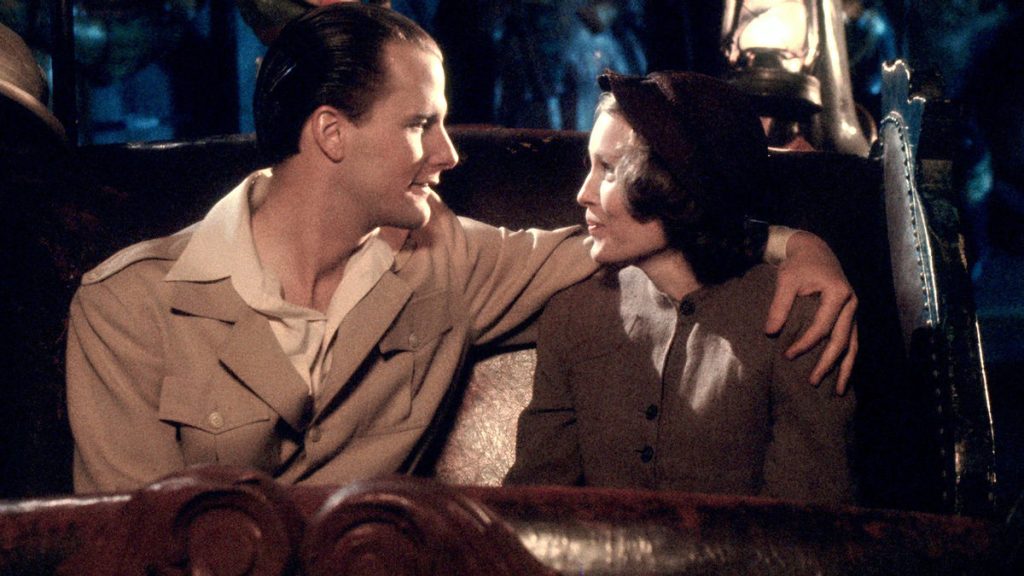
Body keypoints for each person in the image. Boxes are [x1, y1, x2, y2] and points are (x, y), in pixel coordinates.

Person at [66, 3, 855, 494]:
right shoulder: (126, 307)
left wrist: (800, 243)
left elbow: (651, 225)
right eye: (421, 125)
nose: (448, 153)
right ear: (332, 133)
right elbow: (129, 549)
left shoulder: (447, 258)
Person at [505, 71, 855, 505]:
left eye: (609, 170)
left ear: (675, 185)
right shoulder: (574, 313)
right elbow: (532, 503)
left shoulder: (796, 317)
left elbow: (809, 519)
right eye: (590, 167)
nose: (583, 194)